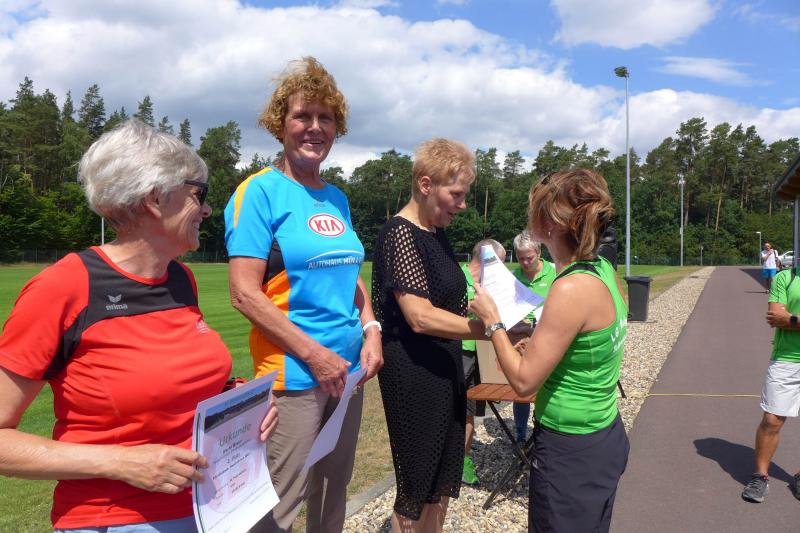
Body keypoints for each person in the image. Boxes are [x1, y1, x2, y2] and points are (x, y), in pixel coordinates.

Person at [0, 119, 278, 532]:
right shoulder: (64, 287)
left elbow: (176, 384)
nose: (206, 210)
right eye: (198, 194)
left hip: (213, 505)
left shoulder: (180, 278)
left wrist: (239, 402)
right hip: (119, 518)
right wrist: (120, 461)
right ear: (154, 197)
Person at [224, 56, 382, 533]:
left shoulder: (337, 197)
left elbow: (349, 274)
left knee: (332, 493)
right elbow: (243, 294)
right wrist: (316, 356)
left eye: (325, 118)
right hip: (293, 376)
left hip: (347, 373)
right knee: (278, 503)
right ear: (280, 125)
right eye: (302, 116)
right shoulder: (258, 192)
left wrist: (372, 329)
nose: (315, 127)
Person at [470, 168, 629, 533]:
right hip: (603, 434)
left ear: (548, 224)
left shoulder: (570, 287)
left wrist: (493, 322)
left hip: (570, 449)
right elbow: (588, 340)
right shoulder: (602, 269)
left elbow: (524, 383)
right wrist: (538, 336)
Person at [372, 138, 488, 532]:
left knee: (441, 481)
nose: (463, 204)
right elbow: (419, 316)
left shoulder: (436, 232)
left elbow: (447, 299)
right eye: (456, 194)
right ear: (426, 184)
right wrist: (488, 330)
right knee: (417, 486)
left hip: (444, 368)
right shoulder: (400, 234)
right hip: (413, 373)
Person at [741, 266, 800, 503]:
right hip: (786, 359)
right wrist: (785, 320)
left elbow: (785, 319)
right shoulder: (786, 277)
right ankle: (760, 476)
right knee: (771, 420)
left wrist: (792, 319)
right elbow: (776, 317)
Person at [460, 238, 506, 486]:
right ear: (489, 259)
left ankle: (464, 460)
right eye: (500, 263)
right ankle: (448, 462)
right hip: (459, 352)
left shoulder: (490, 285)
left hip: (482, 352)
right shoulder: (457, 277)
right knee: (453, 409)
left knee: (471, 410)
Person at [509, 230, 557, 443]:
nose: (525, 263)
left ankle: (542, 431)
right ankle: (520, 434)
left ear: (538, 252)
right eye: (521, 259)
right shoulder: (513, 277)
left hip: (548, 336)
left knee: (547, 386)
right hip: (521, 338)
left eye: (529, 257)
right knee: (522, 387)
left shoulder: (554, 272)